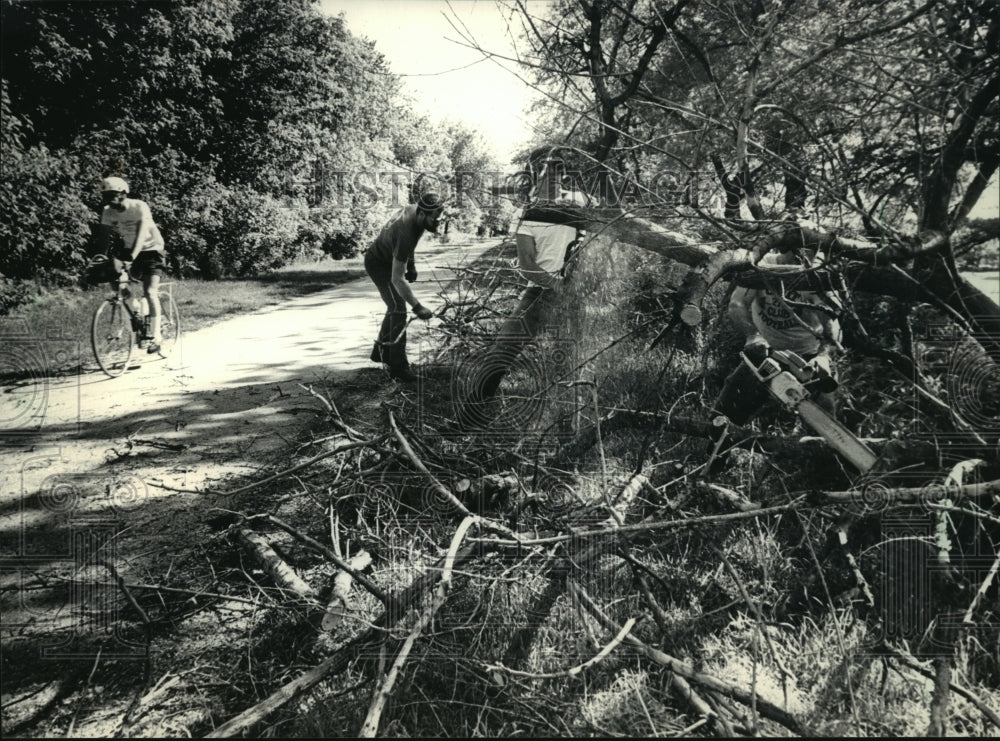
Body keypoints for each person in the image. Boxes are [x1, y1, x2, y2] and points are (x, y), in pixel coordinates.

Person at [459, 187, 589, 424]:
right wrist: (557, 286)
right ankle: (470, 416)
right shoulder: (526, 213)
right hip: (540, 292)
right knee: (502, 350)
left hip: (573, 296)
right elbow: (528, 265)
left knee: (567, 362)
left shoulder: (578, 199)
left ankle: (566, 429)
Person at [707, 243, 843, 467]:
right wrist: (753, 336)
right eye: (800, 245)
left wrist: (824, 355)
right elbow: (737, 304)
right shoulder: (763, 264)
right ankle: (712, 465)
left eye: (812, 247)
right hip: (766, 354)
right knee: (724, 413)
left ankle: (830, 476)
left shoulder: (818, 273)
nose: (806, 253)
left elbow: (833, 323)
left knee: (828, 430)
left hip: (807, 357)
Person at [364, 192, 444, 383]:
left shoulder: (414, 211)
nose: (438, 223)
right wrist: (418, 306)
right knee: (399, 307)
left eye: (440, 218)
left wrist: (412, 264)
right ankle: (399, 368)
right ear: (422, 214)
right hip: (378, 263)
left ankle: (381, 353)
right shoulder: (405, 231)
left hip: (389, 258)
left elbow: (409, 246)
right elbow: (397, 279)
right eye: (435, 219)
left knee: (394, 307)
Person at [99, 176, 168, 353]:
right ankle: (135, 308)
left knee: (150, 292)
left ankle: (156, 337)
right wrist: (99, 257)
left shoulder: (139, 206)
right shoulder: (108, 212)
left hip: (152, 249)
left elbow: (141, 234)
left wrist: (130, 258)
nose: (109, 199)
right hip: (130, 250)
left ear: (123, 193)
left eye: (112, 195)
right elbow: (103, 239)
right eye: (105, 196)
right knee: (117, 285)